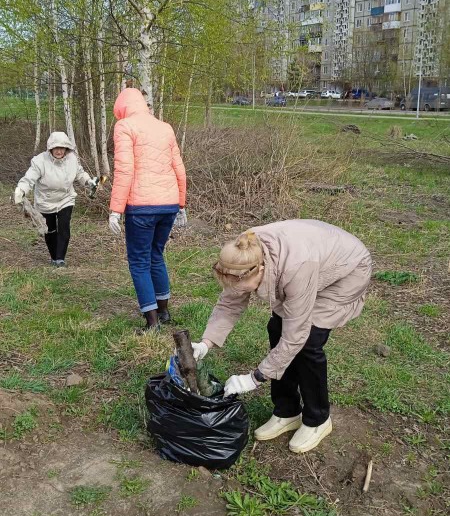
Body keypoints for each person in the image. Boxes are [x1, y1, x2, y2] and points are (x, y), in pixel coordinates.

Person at [191, 220, 372, 454]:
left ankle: (317, 419)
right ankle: (287, 411)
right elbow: (230, 302)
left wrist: (255, 378)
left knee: (308, 342)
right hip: (310, 260)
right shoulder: (241, 254)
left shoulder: (296, 268)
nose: (242, 292)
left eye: (246, 287)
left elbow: (295, 336)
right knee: (277, 328)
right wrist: (206, 343)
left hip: (346, 270)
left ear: (261, 271)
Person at [108, 88, 187, 332]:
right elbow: (179, 168)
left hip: (142, 206)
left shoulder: (124, 127)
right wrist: (181, 204)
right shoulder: (165, 127)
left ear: (122, 108)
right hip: (168, 204)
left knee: (139, 261)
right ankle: (163, 312)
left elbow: (124, 171)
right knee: (156, 255)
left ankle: (151, 322)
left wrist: (115, 210)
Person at [14, 131, 97, 267]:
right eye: (56, 148)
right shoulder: (40, 161)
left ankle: (60, 259)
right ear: (50, 148)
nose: (59, 151)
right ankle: (53, 257)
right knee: (50, 230)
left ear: (66, 148)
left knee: (64, 227)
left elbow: (80, 173)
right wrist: (21, 190)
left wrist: (88, 182)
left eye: (62, 147)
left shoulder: (72, 159)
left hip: (66, 199)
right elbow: (29, 178)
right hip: (45, 201)